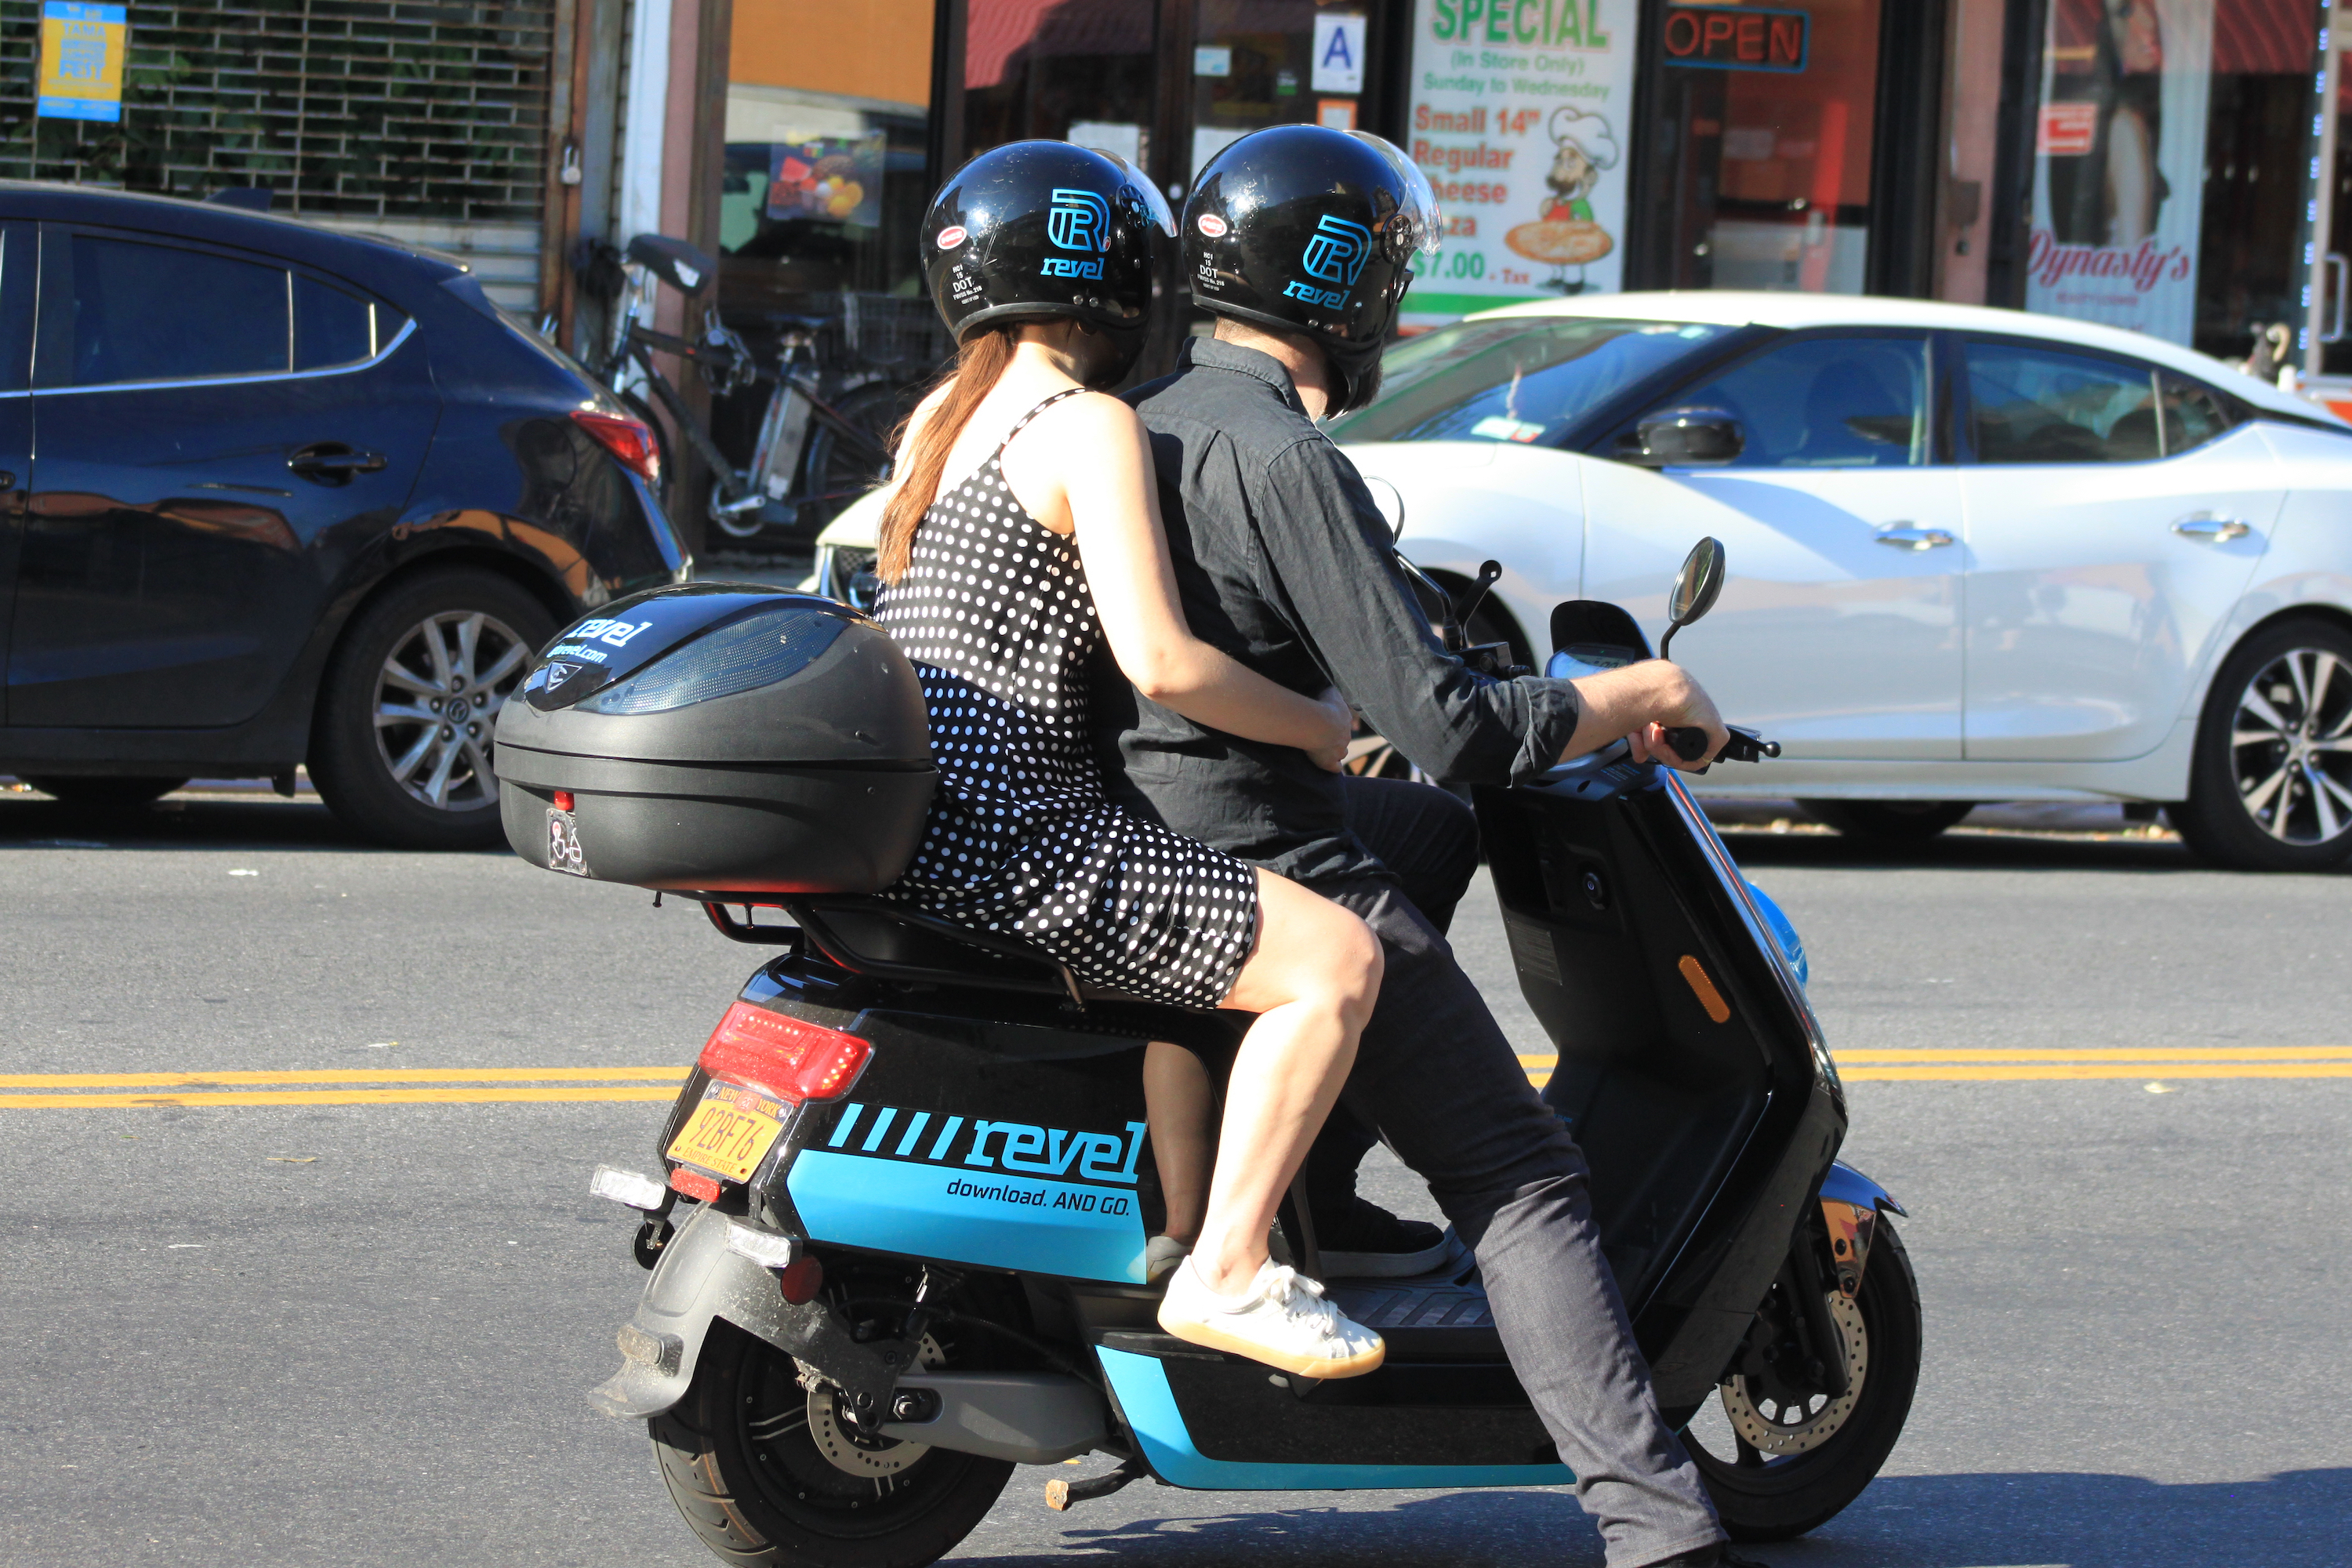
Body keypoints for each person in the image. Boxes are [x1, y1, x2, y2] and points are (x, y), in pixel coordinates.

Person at [1099, 124, 1755, 1568]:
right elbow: (1455, 722)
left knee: (1431, 828)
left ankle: (1313, 1193)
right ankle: (1657, 1525)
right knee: (1524, 1177)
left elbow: (1406, 750)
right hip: (1262, 854)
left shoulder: (1147, 419)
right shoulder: (1285, 459)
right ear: (1341, 287)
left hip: (1152, 830)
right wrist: (1637, 693)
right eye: (1389, 278)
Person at [873, 140, 1386, 1381]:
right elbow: (1162, 661)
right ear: (1120, 277)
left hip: (919, 824)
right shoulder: (1084, 422)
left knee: (1203, 948)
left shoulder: (933, 423)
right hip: (1025, 837)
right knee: (1336, 963)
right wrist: (1323, 724)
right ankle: (1231, 1268)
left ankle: (1174, 1227)